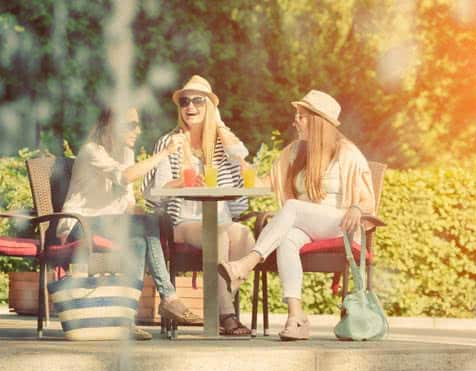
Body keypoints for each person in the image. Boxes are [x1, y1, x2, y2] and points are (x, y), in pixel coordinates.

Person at [218, 90, 376, 341]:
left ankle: (245, 265)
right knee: (288, 238)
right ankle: (296, 318)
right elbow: (264, 184)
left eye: (301, 116)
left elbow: (368, 201)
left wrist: (357, 208)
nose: (295, 121)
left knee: (291, 207)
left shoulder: (348, 153)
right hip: (304, 225)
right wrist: (242, 167)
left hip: (339, 225)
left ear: (318, 121)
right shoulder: (294, 153)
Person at [55, 106, 204, 340]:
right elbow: (125, 177)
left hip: (109, 225)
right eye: (132, 125)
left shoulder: (125, 155)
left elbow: (128, 204)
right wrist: (165, 152)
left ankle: (127, 319)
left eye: (138, 124)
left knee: (139, 238)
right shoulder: (91, 151)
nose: (138, 130)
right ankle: (169, 297)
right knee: (143, 226)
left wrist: (155, 208)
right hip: (78, 226)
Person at [142, 75, 255, 336]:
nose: (190, 107)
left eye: (198, 101)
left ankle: (217, 305)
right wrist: (181, 183)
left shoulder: (219, 147)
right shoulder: (170, 142)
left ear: (210, 108)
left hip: (221, 218)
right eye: (184, 101)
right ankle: (226, 315)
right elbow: (155, 193)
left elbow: (242, 157)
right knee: (217, 236)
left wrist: (220, 127)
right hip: (183, 221)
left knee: (245, 236)